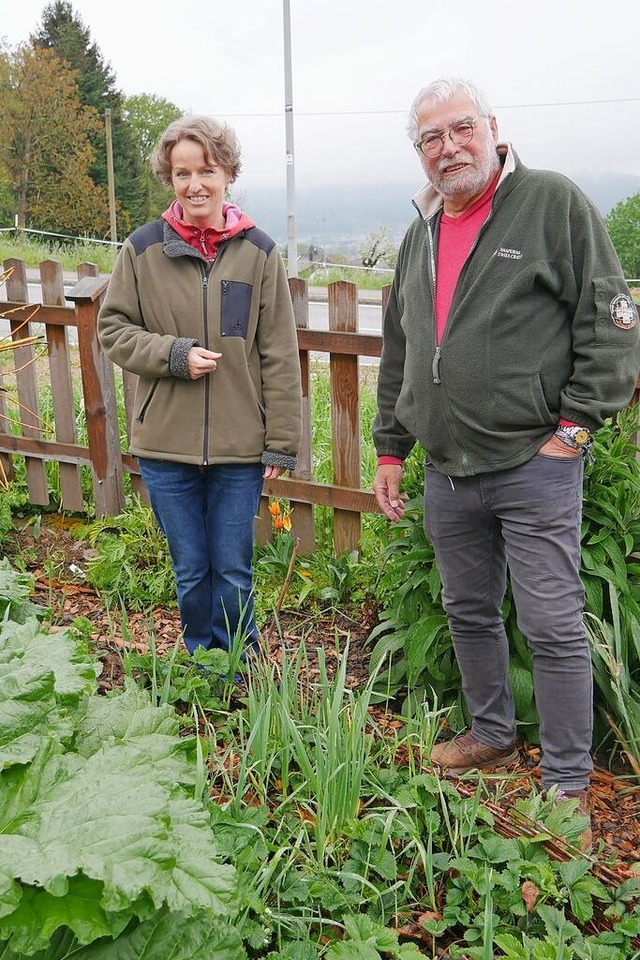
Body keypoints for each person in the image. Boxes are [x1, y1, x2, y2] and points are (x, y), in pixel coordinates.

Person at [372, 76, 640, 841]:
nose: (448, 147)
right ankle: (490, 731)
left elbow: (613, 320)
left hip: (534, 463)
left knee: (553, 624)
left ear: (493, 128)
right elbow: (402, 348)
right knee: (467, 608)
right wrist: (392, 449)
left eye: (460, 129)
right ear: (420, 153)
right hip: (447, 469)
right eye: (431, 138)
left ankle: (564, 781)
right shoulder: (420, 229)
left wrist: (574, 434)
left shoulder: (550, 202)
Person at [98, 115, 302, 659]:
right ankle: (200, 660)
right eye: (182, 172)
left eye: (206, 170)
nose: (195, 184)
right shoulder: (142, 250)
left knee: (233, 568)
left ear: (227, 173)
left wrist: (281, 440)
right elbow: (113, 330)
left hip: (239, 448)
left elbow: (279, 352)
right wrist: (172, 354)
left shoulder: (258, 252)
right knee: (190, 570)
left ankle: (240, 664)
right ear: (170, 177)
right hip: (166, 446)